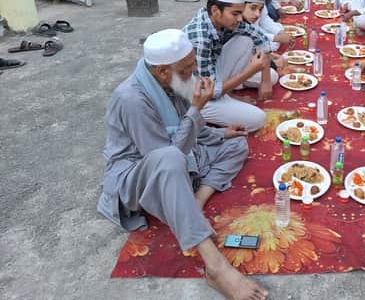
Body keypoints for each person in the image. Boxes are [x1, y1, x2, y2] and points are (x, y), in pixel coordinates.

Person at [97, 29, 268, 299]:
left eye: (193, 65)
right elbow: (168, 156)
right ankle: (215, 267)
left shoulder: (170, 81)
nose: (194, 73)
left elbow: (188, 128)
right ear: (163, 71)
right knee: (171, 159)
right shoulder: (131, 99)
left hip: (176, 154)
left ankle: (196, 200)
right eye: (187, 69)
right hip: (138, 176)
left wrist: (222, 134)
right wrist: (196, 108)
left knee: (237, 144)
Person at [184, 0, 277, 132]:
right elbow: (210, 92)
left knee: (270, 75)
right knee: (259, 119)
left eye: (241, 13)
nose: (240, 19)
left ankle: (230, 94)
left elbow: (261, 39)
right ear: (215, 10)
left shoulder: (222, 19)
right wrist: (250, 71)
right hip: (197, 97)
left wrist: (265, 79)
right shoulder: (200, 39)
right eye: (235, 14)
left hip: (211, 77)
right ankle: (220, 104)